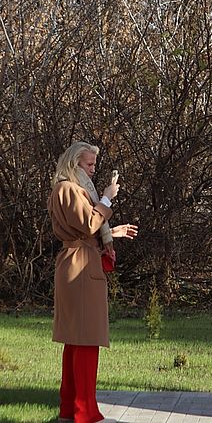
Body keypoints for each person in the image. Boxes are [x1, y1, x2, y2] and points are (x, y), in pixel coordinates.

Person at [49, 141, 138, 423]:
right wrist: (107, 198)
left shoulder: (69, 189)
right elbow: (88, 223)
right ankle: (84, 412)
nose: (93, 169)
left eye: (94, 164)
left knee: (76, 340)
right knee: (85, 340)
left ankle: (70, 408)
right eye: (89, 164)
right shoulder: (69, 188)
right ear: (74, 163)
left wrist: (113, 232)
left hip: (79, 262)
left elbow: (86, 227)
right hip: (80, 267)